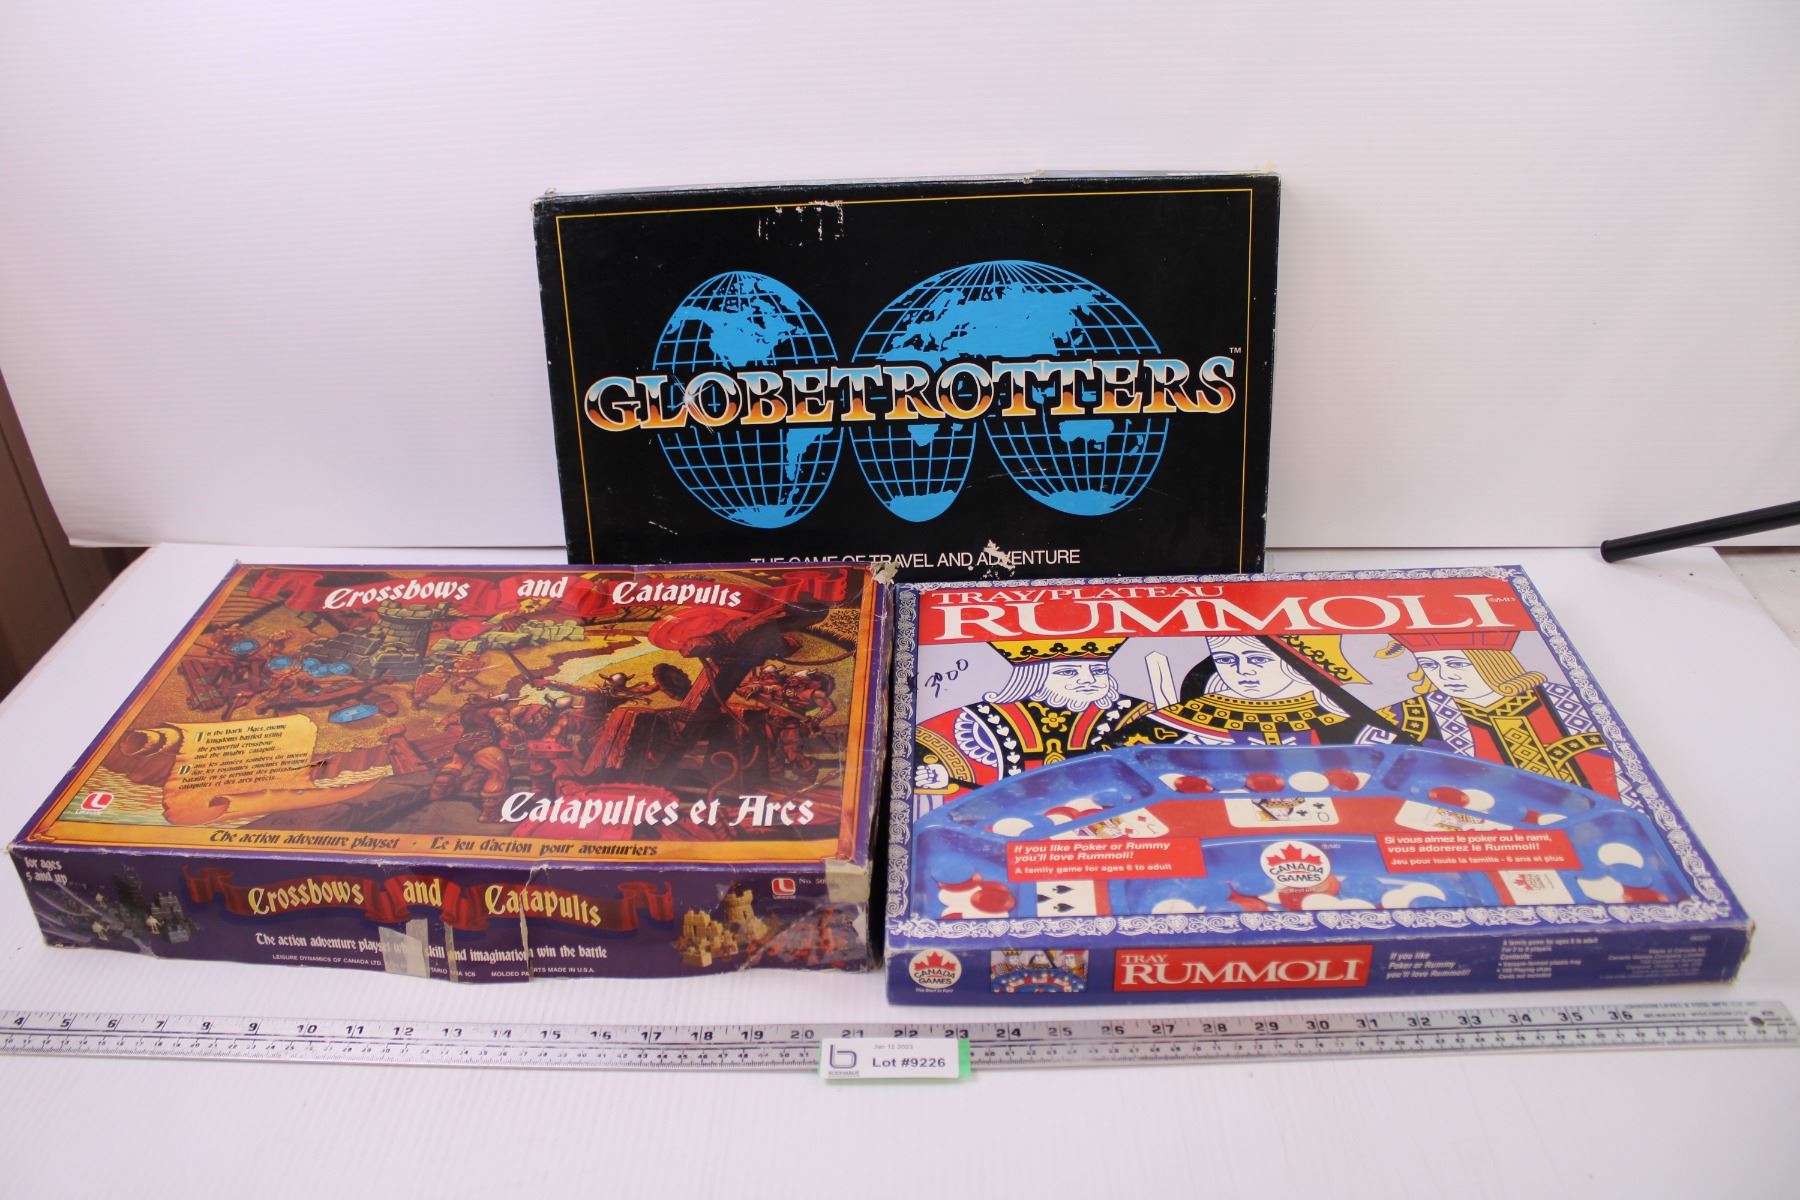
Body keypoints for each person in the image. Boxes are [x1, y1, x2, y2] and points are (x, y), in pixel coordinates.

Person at [912, 637, 1150, 812]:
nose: (1088, 680)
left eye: (1098, 670)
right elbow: (929, 751)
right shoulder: (979, 718)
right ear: (1032, 676)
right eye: (1068, 672)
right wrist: (941, 779)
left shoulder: (1133, 711)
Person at [1376, 632, 1616, 794]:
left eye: (1457, 664)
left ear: (1493, 662)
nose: (1445, 676)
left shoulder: (1562, 700)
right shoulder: (1414, 713)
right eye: (1430, 665)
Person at [1099, 634, 1401, 748]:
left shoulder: (1344, 716)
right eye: (1226, 660)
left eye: (1258, 660)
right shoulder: (1184, 717)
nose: (1242, 671)